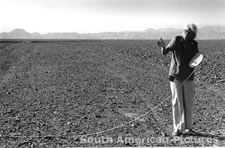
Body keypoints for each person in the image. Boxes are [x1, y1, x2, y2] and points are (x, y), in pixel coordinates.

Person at [157, 23, 200, 136]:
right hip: (176, 76)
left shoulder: (194, 44)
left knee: (188, 102)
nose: (186, 33)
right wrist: (162, 46)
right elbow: (165, 52)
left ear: (193, 35)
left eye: (190, 33)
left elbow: (196, 58)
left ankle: (188, 128)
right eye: (185, 31)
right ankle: (177, 128)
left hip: (189, 77)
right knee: (177, 102)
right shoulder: (177, 40)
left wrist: (197, 60)